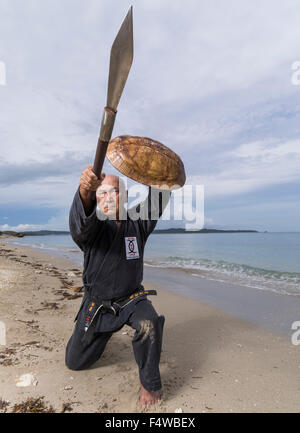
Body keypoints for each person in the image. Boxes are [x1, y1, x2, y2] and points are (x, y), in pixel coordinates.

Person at [65, 165, 171, 407]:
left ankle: (150, 383)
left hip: (132, 299)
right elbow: (80, 225)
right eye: (100, 193)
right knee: (75, 362)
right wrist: (84, 190)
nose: (108, 198)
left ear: (123, 195)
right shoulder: (92, 228)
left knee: (149, 323)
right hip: (97, 306)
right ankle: (101, 336)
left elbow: (159, 196)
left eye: (113, 192)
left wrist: (159, 170)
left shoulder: (138, 222)